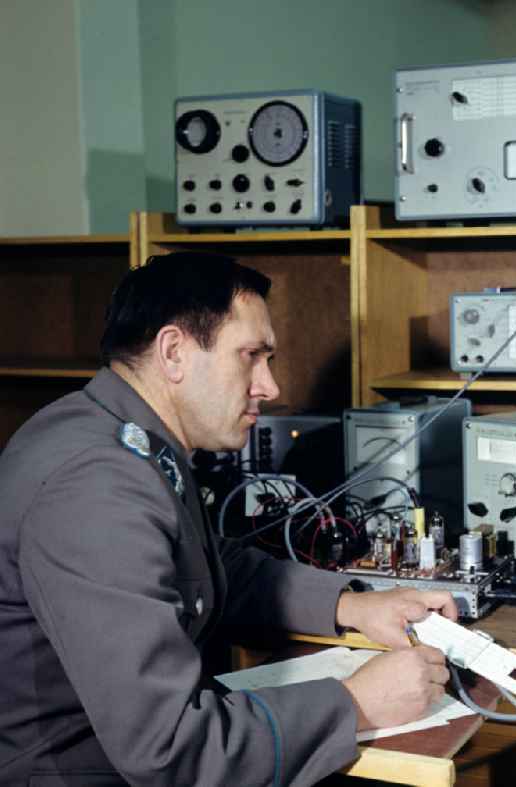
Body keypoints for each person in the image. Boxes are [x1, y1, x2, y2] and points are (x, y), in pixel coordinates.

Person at [0, 252, 457, 787]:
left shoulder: (118, 435)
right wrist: (357, 703)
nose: (271, 386)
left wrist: (349, 604)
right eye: (252, 356)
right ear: (174, 352)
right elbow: (169, 750)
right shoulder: (97, 484)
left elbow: (202, 567)